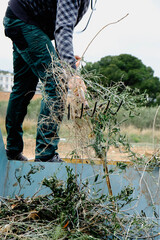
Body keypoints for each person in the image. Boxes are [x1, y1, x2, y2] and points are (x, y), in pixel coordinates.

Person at [3, 0, 90, 162]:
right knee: (56, 83)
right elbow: (63, 29)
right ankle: (45, 155)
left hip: (21, 19)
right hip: (24, 21)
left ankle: (13, 152)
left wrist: (65, 59)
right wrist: (71, 71)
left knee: (23, 87)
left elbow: (58, 24)